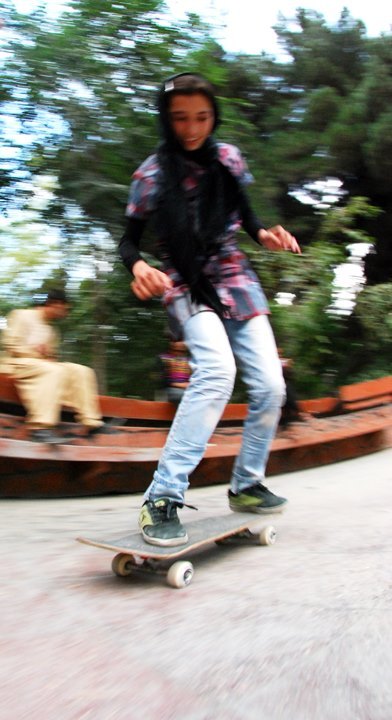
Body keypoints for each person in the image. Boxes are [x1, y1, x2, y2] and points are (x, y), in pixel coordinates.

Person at [119, 72, 301, 547]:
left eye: (201, 117)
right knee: (217, 372)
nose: (192, 128)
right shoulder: (151, 175)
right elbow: (128, 240)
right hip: (183, 278)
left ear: (213, 115)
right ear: (167, 119)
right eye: (180, 119)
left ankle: (246, 484)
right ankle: (162, 497)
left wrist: (266, 235)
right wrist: (138, 266)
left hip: (234, 273)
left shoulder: (228, 159)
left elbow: (249, 215)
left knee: (270, 384)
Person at [0, 289, 111, 443]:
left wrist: (46, 356)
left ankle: (92, 423)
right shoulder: (22, 315)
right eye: (65, 308)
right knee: (53, 370)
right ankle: (40, 427)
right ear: (54, 304)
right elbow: (11, 344)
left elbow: (51, 357)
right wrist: (36, 354)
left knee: (82, 371)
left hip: (40, 365)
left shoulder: (52, 331)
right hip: (16, 363)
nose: (65, 312)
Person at [157, 336, 191, 404]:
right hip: (173, 389)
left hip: (189, 389)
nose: (179, 353)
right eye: (177, 350)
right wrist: (178, 384)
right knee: (182, 396)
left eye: (182, 351)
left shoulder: (190, 361)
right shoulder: (163, 359)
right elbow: (160, 380)